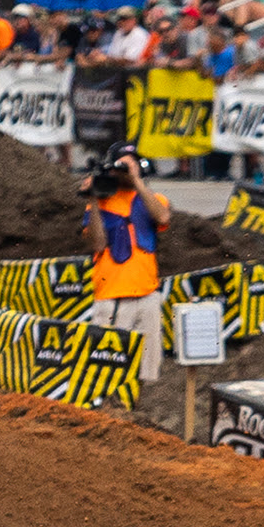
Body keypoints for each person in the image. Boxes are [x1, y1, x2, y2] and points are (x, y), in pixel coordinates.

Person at [82, 149, 170, 370]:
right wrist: (93, 198)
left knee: (147, 368)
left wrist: (136, 180)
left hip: (147, 294)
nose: (125, 172)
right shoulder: (101, 202)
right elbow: (97, 244)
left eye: (131, 165)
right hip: (111, 296)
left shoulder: (153, 200)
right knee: (107, 369)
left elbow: (163, 217)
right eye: (121, 167)